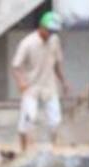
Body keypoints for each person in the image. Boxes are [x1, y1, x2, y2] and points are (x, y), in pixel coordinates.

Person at [12, 11, 69, 152]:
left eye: (53, 32)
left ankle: (54, 148)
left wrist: (64, 81)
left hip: (49, 85)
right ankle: (24, 150)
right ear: (42, 27)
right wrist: (21, 83)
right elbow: (16, 66)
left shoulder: (54, 41)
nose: (51, 34)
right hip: (31, 86)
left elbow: (56, 64)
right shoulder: (28, 43)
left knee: (55, 120)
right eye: (49, 31)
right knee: (28, 119)